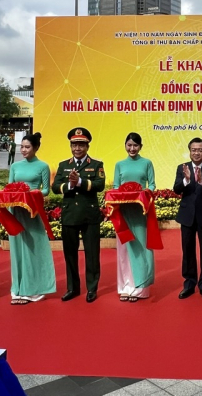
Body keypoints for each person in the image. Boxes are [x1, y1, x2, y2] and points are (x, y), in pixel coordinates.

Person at [51, 127, 105, 303]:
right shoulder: (63, 165)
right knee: (70, 254)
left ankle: (92, 288)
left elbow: (99, 185)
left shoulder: (96, 164)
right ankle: (72, 288)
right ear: (71, 146)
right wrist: (70, 185)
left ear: (87, 146)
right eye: (74, 145)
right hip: (70, 214)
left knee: (92, 254)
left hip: (89, 215)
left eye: (81, 145)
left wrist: (80, 181)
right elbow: (55, 187)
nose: (77, 148)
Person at [7, 132, 56, 305]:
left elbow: (45, 191)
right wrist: (15, 194)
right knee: (18, 249)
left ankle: (35, 288)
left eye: (27, 147)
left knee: (33, 249)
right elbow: (9, 187)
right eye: (22, 147)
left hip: (32, 211)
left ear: (36, 148)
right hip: (16, 211)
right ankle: (18, 288)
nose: (24, 150)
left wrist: (30, 193)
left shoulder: (43, 166)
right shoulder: (15, 166)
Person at [173, 137, 202, 300]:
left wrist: (201, 181)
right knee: (188, 251)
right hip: (187, 216)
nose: (197, 152)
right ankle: (189, 284)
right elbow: (176, 189)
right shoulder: (182, 168)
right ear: (190, 151)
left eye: (200, 150)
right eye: (194, 150)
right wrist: (186, 179)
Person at [111, 132, 156, 302]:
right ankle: (125, 287)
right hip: (124, 211)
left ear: (140, 147)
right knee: (124, 248)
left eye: (135, 145)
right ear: (125, 146)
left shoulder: (147, 163)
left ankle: (141, 287)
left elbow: (151, 185)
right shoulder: (119, 165)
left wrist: (143, 193)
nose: (132, 148)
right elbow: (116, 186)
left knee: (141, 247)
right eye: (129, 145)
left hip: (140, 211)